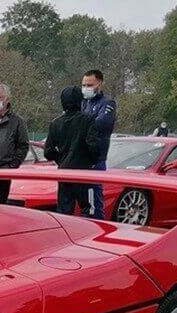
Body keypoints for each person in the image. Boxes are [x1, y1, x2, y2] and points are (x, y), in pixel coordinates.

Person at [44, 86, 103, 217]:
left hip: (64, 174)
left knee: (64, 213)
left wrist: (62, 160)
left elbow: (48, 152)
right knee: (89, 210)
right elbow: (94, 146)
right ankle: (89, 236)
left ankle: (66, 236)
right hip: (83, 173)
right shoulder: (88, 120)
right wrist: (91, 161)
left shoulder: (55, 123)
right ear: (80, 101)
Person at [79, 69, 116, 219]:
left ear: (99, 84)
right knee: (82, 201)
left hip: (96, 159)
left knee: (94, 200)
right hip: (81, 158)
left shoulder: (108, 103)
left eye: (89, 85)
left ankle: (99, 227)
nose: (86, 88)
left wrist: (81, 123)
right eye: (83, 85)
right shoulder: (82, 103)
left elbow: (101, 123)